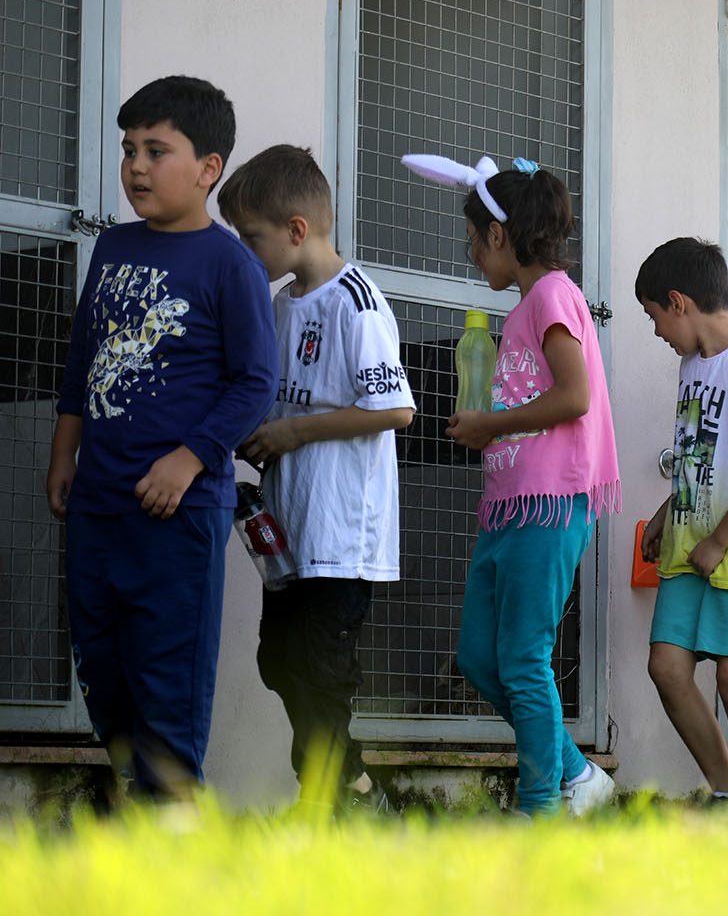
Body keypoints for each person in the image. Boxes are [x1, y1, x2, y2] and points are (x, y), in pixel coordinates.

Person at [44, 76, 278, 799]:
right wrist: (63, 453)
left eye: (156, 149)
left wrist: (189, 458)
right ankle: (133, 827)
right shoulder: (112, 248)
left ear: (208, 168)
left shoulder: (230, 264)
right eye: (128, 149)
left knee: (167, 694)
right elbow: (84, 357)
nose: (136, 166)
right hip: (96, 509)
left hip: (177, 520)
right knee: (105, 680)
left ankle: (172, 854)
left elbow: (255, 381)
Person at [403, 152, 619, 817]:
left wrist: (493, 421)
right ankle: (577, 774)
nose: (472, 256)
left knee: (524, 660)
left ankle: (541, 808)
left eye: (473, 240)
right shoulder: (532, 303)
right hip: (512, 505)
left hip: (550, 503)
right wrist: (492, 432)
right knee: (479, 655)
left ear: (498, 234)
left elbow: (575, 395)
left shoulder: (552, 295)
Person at [218, 144, 415, 814]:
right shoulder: (278, 307)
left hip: (341, 536)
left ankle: (329, 809)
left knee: (323, 673)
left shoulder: (356, 302)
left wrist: (295, 432)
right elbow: (277, 406)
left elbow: (396, 407)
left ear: (296, 230)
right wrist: (259, 437)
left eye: (253, 238)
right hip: (288, 533)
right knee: (280, 661)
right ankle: (356, 791)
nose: (247, 252)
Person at [635, 237, 728, 805]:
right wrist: (662, 513)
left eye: (654, 317)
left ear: (678, 302)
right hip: (687, 545)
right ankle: (726, 792)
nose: (656, 332)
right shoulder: (690, 364)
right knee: (667, 668)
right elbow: (697, 453)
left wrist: (721, 538)